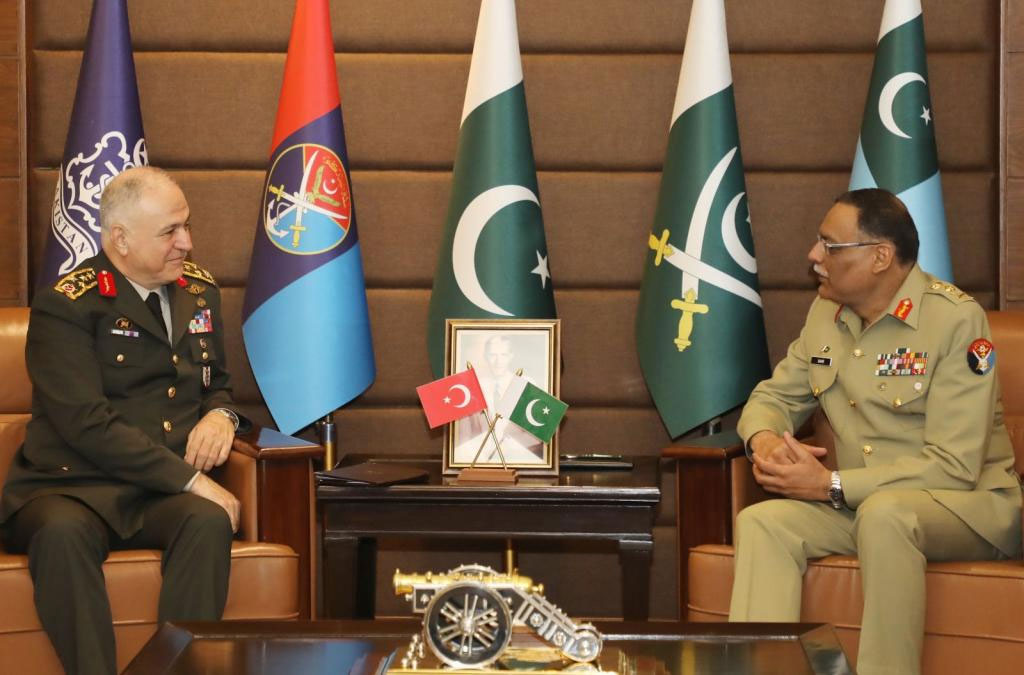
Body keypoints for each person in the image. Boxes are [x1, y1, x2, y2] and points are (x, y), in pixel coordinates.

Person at [729, 188, 1023, 675]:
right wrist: (765, 442)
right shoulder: (826, 315)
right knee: (764, 523)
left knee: (885, 516)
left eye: (830, 245)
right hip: (863, 504)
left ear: (880, 257)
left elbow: (954, 466)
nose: (814, 256)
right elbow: (773, 398)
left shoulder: (955, 320)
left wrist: (830, 485)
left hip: (968, 506)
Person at [0, 166, 244, 675]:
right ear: (120, 239)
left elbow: (214, 381)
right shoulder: (66, 305)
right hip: (70, 488)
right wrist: (191, 479)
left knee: (207, 520)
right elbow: (86, 423)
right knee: (61, 535)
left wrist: (221, 416)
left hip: (155, 496)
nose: (186, 242)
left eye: (186, 226)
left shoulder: (199, 291)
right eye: (170, 232)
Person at [453, 334, 545, 465]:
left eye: (503, 355)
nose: (498, 361)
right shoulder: (473, 386)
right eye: (492, 355)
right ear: (485, 356)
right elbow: (463, 436)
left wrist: (507, 448)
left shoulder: (526, 384)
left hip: (518, 458)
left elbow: (536, 435)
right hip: (479, 461)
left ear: (511, 356)